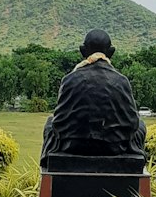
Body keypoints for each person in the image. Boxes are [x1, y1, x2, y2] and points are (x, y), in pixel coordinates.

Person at [40, 29, 146, 166]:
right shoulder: (121, 81)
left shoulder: (70, 79)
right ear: (111, 52)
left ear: (83, 51)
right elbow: (132, 123)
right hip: (114, 147)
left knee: (50, 123)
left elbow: (59, 122)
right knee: (141, 126)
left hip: (73, 146)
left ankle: (47, 171)